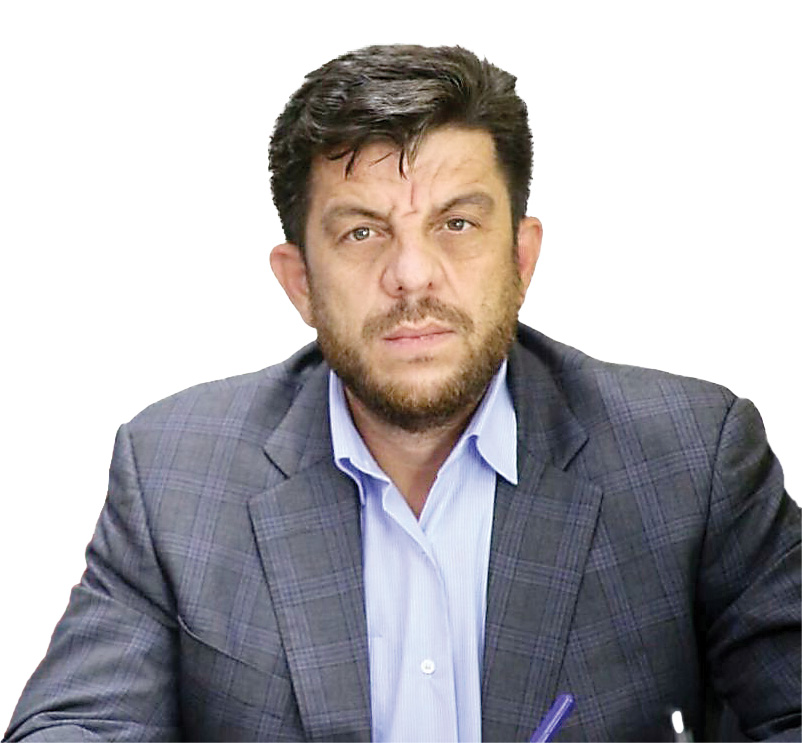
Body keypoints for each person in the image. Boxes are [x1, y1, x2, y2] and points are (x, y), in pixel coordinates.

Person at [5, 44, 799, 743]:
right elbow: (77, 725)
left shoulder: (692, 460)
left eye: (456, 225)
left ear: (521, 259)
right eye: (362, 231)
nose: (413, 276)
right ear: (299, 281)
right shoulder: (174, 474)